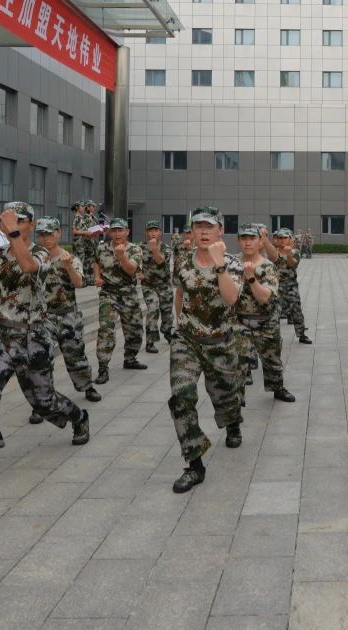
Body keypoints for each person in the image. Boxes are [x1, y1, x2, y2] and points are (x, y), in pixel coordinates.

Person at [0, 203, 89, 484]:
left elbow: (28, 266)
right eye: (8, 220)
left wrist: (12, 234)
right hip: (0, 335)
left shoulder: (42, 253)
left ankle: (78, 417)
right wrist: (10, 237)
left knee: (44, 402)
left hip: (33, 337)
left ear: (31, 225)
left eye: (19, 221)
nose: (12, 225)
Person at [168, 206, 244, 494]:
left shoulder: (232, 263)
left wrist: (219, 263)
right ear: (191, 231)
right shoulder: (182, 261)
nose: (203, 232)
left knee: (226, 398)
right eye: (198, 226)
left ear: (220, 230)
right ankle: (194, 464)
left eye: (209, 227)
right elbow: (180, 292)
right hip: (187, 341)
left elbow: (232, 298)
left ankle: (232, 422)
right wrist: (179, 323)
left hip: (221, 342)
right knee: (181, 397)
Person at [28, 216, 101, 423]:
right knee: (41, 359)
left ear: (58, 233)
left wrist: (68, 267)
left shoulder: (70, 258)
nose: (45, 238)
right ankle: (42, 402)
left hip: (68, 315)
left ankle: (86, 386)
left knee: (75, 355)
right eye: (41, 234)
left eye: (49, 234)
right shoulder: (33, 260)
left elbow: (79, 283)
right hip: (42, 317)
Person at [233, 224, 296, 402]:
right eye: (244, 238)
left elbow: (264, 298)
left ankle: (277, 388)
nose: (247, 242)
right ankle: (236, 396)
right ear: (238, 241)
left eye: (252, 238)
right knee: (236, 361)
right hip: (239, 321)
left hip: (266, 321)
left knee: (272, 359)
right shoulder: (231, 264)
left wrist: (251, 277)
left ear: (261, 242)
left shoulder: (268, 267)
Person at [92, 217, 146, 382]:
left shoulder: (135, 249)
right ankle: (103, 367)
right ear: (109, 232)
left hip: (128, 293)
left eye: (120, 230)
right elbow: (96, 262)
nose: (117, 234)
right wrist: (97, 276)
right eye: (114, 231)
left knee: (135, 330)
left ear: (127, 232)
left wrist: (122, 256)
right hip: (108, 293)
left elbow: (131, 270)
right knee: (106, 330)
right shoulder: (101, 248)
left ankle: (130, 358)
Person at [273, 228, 313, 345]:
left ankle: (301, 334)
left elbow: (293, 265)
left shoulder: (295, 252)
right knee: (274, 312)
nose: (282, 240)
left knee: (296, 310)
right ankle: (274, 336)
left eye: (285, 238)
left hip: (290, 286)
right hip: (275, 286)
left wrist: (288, 254)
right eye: (280, 238)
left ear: (290, 240)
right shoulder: (273, 253)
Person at [140, 220, 172, 355]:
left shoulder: (166, 248)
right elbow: (134, 261)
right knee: (153, 309)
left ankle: (167, 330)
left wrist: (153, 249)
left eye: (156, 230)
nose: (153, 233)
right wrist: (138, 272)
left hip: (164, 285)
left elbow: (160, 261)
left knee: (167, 312)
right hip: (149, 286)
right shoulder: (140, 248)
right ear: (146, 233)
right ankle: (150, 341)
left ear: (160, 232)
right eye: (150, 230)